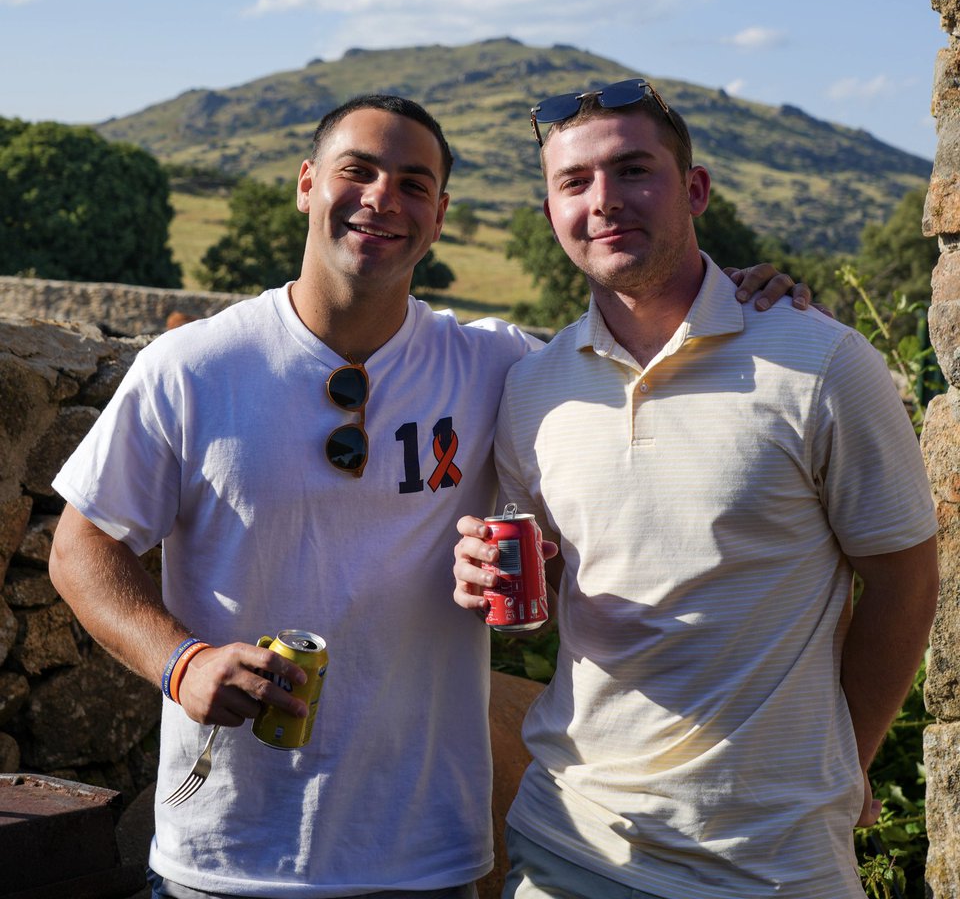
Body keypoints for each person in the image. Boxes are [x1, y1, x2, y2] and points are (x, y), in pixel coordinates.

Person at [49, 92, 808, 899]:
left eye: (414, 184)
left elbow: (644, 360)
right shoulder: (193, 368)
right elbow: (79, 549)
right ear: (307, 183)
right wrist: (182, 662)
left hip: (430, 860)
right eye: (359, 171)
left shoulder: (497, 368)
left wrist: (750, 308)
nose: (383, 198)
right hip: (227, 861)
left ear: (439, 217)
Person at [453, 80, 939, 899]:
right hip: (569, 843)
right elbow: (559, 579)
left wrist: (845, 768)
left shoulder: (819, 361)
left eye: (633, 170)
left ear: (696, 190)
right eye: (574, 183)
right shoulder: (532, 387)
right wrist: (490, 579)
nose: (604, 201)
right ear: (549, 217)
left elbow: (904, 581)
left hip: (775, 860)